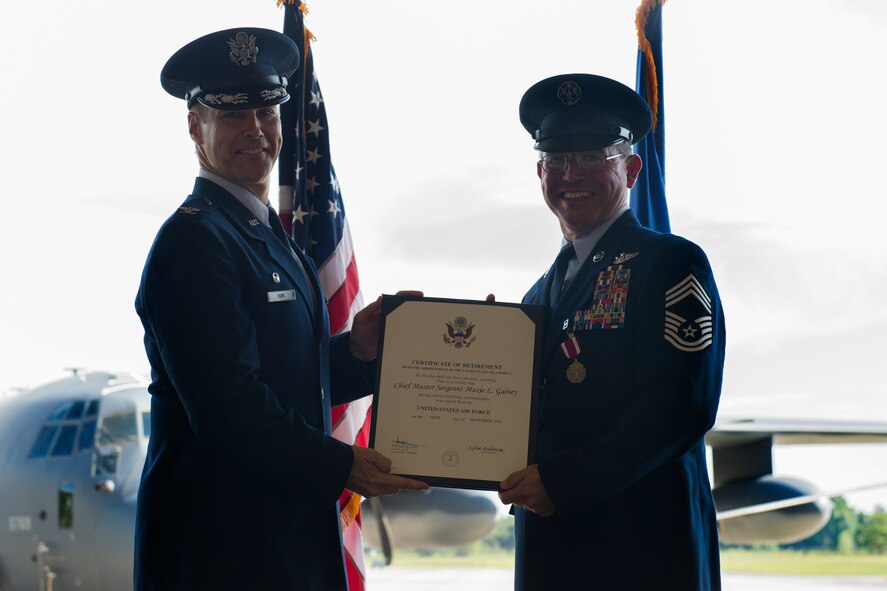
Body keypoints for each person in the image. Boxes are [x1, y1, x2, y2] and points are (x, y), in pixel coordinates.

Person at [134, 27, 427, 590]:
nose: (255, 130)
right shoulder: (194, 242)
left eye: (267, 112)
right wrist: (343, 465)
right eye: (232, 115)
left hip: (280, 543)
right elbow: (228, 407)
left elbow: (285, 377)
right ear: (195, 125)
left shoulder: (265, 235)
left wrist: (356, 351)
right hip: (220, 553)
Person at [497, 73, 726, 590]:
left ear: (631, 167)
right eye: (556, 159)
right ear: (540, 172)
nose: (570, 173)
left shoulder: (670, 263)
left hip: (642, 553)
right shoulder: (536, 295)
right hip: (552, 556)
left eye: (592, 156)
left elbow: (681, 405)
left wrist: (562, 481)